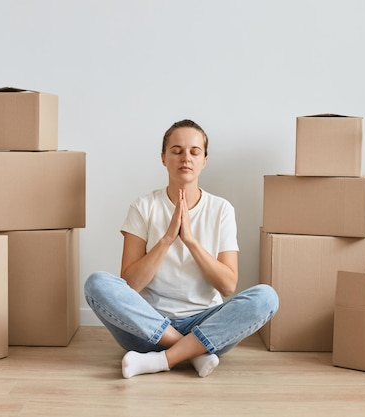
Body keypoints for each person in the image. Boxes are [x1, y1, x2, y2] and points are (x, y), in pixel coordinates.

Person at [84, 119, 279, 379]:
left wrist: (190, 241)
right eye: (176, 151)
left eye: (194, 151)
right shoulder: (143, 207)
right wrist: (166, 239)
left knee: (266, 297)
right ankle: (191, 353)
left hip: (207, 326)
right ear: (164, 158)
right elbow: (130, 284)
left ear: (204, 160)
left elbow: (228, 286)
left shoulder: (221, 209)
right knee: (96, 283)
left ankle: (162, 359)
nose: (185, 157)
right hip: (149, 328)